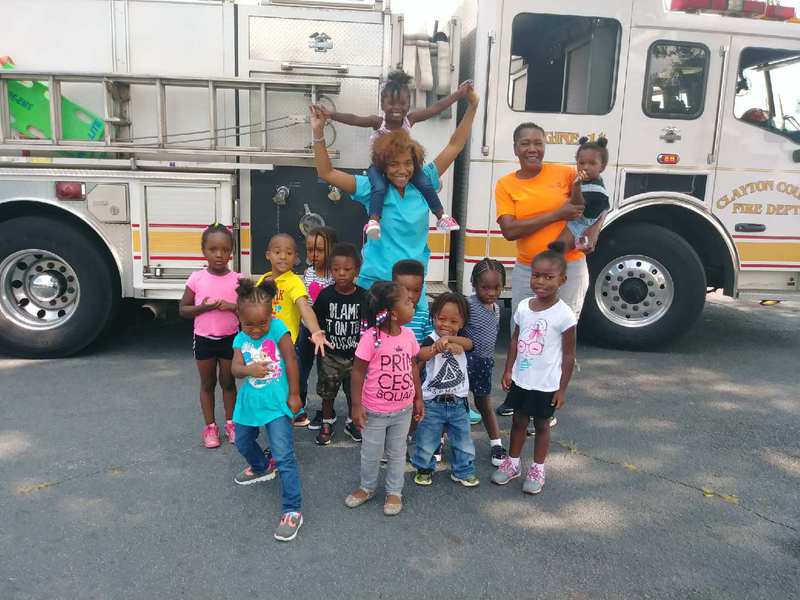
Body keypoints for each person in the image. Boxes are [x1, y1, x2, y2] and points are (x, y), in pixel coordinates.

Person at [310, 87, 479, 292]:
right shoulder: (370, 187)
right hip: (375, 285)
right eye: (393, 164)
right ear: (382, 165)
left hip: (412, 288)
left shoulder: (424, 182)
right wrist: (318, 131)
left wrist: (473, 105)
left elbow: (455, 145)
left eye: (408, 163)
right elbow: (326, 172)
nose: (402, 171)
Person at [493, 122, 602, 417]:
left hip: (569, 268)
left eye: (538, 143)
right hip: (528, 269)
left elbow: (598, 204)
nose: (532, 149)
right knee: (522, 331)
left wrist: (593, 233)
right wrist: (557, 213)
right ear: (515, 149)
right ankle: (516, 394)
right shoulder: (506, 184)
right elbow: (510, 230)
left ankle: (548, 404)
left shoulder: (565, 173)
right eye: (525, 143)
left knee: (559, 336)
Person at [315, 70, 471, 239]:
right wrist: (331, 115)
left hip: (402, 163)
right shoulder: (378, 122)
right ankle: (374, 220)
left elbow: (435, 109)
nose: (397, 108)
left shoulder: (410, 120)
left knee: (425, 183)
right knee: (379, 187)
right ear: (382, 105)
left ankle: (441, 216)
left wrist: (458, 94)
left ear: (409, 105)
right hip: (379, 167)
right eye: (391, 103)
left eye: (402, 103)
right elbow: (354, 119)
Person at [491, 243, 577, 495]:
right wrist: (508, 370)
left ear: (562, 280)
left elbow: (569, 355)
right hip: (522, 379)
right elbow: (515, 340)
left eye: (549, 277)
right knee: (518, 420)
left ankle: (538, 468)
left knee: (541, 424)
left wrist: (562, 389)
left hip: (546, 383)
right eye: (536, 275)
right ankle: (512, 463)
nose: (540, 282)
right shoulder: (523, 307)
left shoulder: (564, 315)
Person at [230, 278, 304, 542]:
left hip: (276, 404)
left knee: (284, 456)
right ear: (239, 318)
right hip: (249, 403)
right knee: (242, 441)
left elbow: (291, 359)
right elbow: (235, 369)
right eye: (249, 324)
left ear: (271, 314)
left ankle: (292, 510)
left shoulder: (277, 328)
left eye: (262, 323)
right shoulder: (240, 339)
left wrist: (294, 394)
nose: (256, 330)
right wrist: (248, 369)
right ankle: (261, 466)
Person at [344, 281, 424, 516]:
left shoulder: (409, 335)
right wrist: (356, 405)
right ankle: (367, 487)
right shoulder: (371, 338)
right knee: (371, 453)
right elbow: (358, 372)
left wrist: (418, 398)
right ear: (394, 314)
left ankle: (394, 491)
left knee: (398, 452)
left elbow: (413, 366)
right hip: (375, 412)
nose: (413, 304)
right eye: (407, 302)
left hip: (403, 410)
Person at [256, 233, 331, 426]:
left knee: (285, 385)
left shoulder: (294, 282)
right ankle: (288, 415)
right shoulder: (263, 281)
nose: (283, 256)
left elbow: (305, 307)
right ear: (268, 255)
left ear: (296, 257)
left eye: (289, 253)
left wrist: (315, 331)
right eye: (278, 252)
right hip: (263, 346)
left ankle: (289, 419)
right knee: (268, 385)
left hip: (285, 347)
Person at [178, 223, 240, 448]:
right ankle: (210, 427)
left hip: (230, 339)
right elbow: (183, 309)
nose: (219, 254)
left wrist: (232, 307)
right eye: (213, 249)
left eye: (225, 250)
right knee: (207, 383)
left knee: (228, 382)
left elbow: (247, 309)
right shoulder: (197, 278)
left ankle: (232, 424)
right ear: (204, 251)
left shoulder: (238, 279)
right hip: (204, 339)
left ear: (231, 251)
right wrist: (202, 308)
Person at [411, 292, 479, 488]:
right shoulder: (431, 338)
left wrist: (452, 341)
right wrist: (436, 348)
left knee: (463, 441)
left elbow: (470, 345)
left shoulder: (462, 339)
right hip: (432, 402)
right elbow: (420, 354)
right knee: (426, 439)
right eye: (441, 319)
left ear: (462, 323)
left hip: (458, 402)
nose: (446, 325)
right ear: (433, 318)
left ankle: (463, 471)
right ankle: (424, 468)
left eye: (453, 321)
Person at [311, 243, 366, 445]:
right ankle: (327, 421)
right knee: (328, 392)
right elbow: (314, 320)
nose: (341, 273)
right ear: (331, 270)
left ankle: (352, 421)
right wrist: (316, 335)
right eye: (336, 269)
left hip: (356, 357)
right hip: (330, 355)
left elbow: (370, 324)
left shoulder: (364, 296)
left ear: (357, 270)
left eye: (347, 269)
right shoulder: (325, 295)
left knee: (353, 391)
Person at [463, 259, 508, 466]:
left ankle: (496, 444)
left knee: (484, 404)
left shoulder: (496, 309)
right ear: (473, 283)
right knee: (453, 404)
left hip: (483, 364)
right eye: (485, 287)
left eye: (496, 288)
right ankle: (439, 442)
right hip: (463, 363)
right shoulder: (467, 305)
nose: (491, 292)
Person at [300, 226, 337, 430]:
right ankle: (300, 402)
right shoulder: (308, 273)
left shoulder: (335, 276)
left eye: (320, 250)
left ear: (332, 250)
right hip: (307, 330)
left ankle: (326, 412)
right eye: (309, 250)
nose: (314, 254)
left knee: (326, 373)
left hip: (327, 333)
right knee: (301, 368)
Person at [554, 137, 610, 252]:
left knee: (555, 252)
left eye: (592, 163)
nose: (585, 167)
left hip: (580, 227)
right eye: (581, 163)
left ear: (602, 166)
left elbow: (577, 204)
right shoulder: (589, 180)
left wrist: (576, 186)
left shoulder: (596, 190)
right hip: (576, 223)